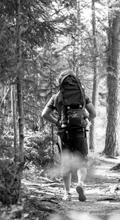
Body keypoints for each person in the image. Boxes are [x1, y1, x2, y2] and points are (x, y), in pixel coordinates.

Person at [41, 70, 96, 201]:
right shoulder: (82, 96)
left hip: (64, 133)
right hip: (80, 132)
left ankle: (67, 193)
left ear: (61, 83)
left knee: (65, 163)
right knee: (82, 161)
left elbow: (44, 114)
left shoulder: (56, 97)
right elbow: (93, 113)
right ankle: (81, 184)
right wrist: (86, 120)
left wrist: (57, 122)